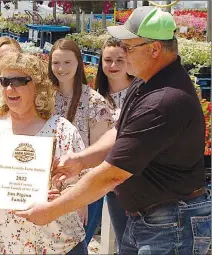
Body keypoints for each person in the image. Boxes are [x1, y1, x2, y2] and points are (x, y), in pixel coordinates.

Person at [16, 6, 211, 254]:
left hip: (172, 222)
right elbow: (120, 132)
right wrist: (81, 159)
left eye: (128, 47)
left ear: (155, 49)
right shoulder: (145, 82)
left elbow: (112, 174)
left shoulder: (164, 100)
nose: (122, 54)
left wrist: (52, 211)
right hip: (150, 218)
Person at [0, 52, 87, 254]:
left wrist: (60, 200)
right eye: (5, 81)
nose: (10, 88)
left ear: (38, 86)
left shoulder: (63, 131)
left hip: (57, 247)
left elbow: (84, 188)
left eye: (20, 81)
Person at [49, 38, 113, 244]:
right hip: (48, 187)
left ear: (79, 62)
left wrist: (81, 196)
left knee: (77, 245)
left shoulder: (95, 102)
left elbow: (98, 154)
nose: (61, 68)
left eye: (67, 62)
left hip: (84, 188)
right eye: (56, 63)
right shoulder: (44, 98)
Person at [93, 37, 133, 251]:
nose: (113, 65)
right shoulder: (94, 97)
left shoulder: (140, 92)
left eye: (120, 59)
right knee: (123, 241)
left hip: (133, 178)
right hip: (105, 178)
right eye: (108, 60)